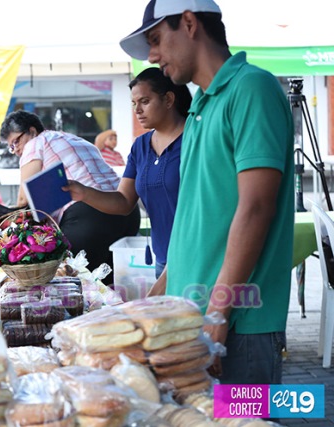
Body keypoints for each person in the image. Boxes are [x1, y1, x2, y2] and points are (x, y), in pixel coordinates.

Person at [120, 0, 294, 386]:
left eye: (156, 39)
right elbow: (194, 221)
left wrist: (218, 315)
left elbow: (255, 208)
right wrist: (152, 300)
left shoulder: (251, 88)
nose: (152, 55)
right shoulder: (199, 106)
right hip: (196, 320)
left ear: (189, 23)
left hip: (241, 323)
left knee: (245, 416)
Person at [65, 67, 191, 280]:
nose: (137, 110)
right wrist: (82, 192)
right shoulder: (141, 146)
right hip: (163, 259)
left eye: (145, 101)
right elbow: (123, 202)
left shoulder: (195, 139)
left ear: (169, 99)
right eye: (134, 104)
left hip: (198, 256)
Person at [0, 110, 141, 276]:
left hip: (88, 218)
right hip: (127, 212)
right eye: (11, 146)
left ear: (32, 131)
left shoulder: (35, 143)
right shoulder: (77, 140)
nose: (15, 150)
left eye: (16, 142)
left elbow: (24, 200)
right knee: (112, 284)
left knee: (77, 287)